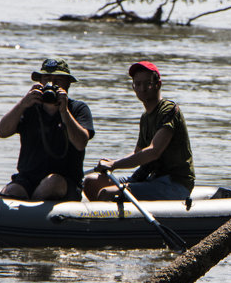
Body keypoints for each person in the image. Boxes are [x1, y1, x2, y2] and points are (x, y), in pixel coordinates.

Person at [84, 61, 196, 201]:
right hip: (151, 179)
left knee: (107, 193)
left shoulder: (168, 110)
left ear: (158, 84)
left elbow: (154, 151)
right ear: (133, 87)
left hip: (175, 183)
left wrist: (114, 165)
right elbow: (139, 152)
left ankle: (107, 220)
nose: (142, 89)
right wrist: (113, 162)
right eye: (138, 84)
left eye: (147, 83)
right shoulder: (145, 117)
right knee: (90, 182)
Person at [0, 57, 95, 200]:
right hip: (28, 179)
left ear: (67, 83)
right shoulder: (29, 108)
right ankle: (21, 213)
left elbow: (81, 143)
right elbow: (2, 132)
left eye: (58, 80)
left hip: (63, 182)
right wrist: (23, 103)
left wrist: (64, 111)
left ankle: (30, 212)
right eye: (47, 79)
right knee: (12, 190)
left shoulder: (78, 109)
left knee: (52, 182)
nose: (51, 84)